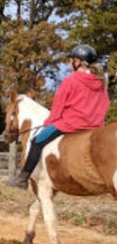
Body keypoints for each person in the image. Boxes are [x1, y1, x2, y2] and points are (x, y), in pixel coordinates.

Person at [6, 44, 109, 189]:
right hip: (96, 126)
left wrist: (49, 122)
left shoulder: (71, 81)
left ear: (78, 62)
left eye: (71, 60)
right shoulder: (101, 83)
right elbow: (105, 105)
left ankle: (23, 178)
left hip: (71, 124)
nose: (69, 63)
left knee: (37, 140)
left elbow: (58, 107)